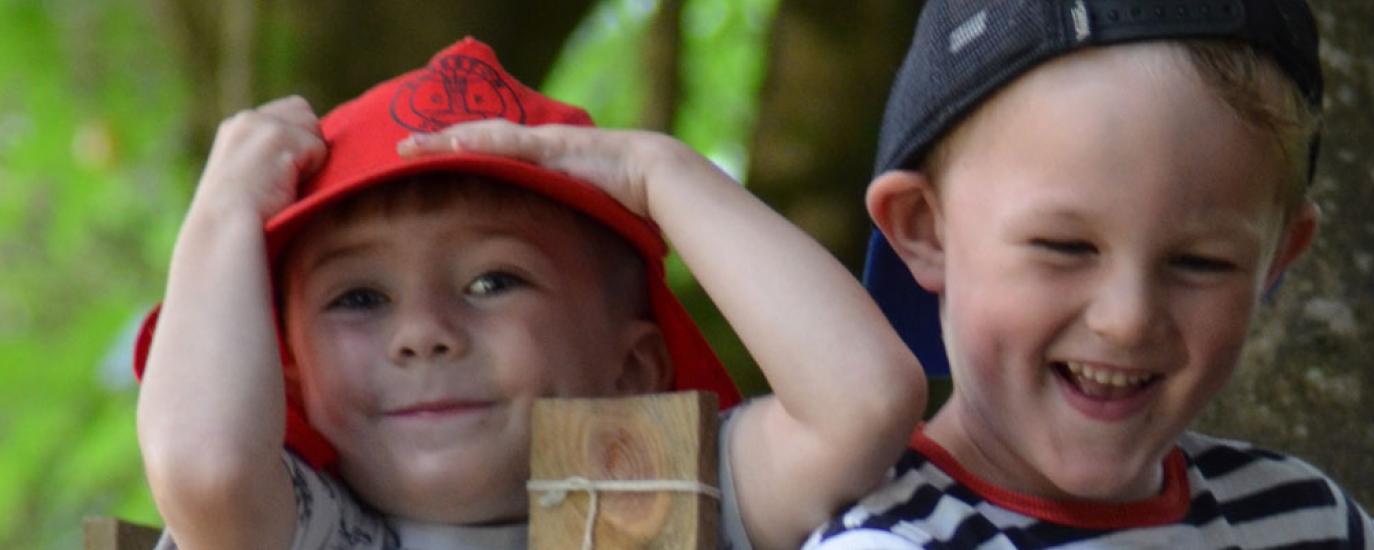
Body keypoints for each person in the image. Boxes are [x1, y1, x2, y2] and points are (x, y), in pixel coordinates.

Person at [135, 38, 924, 550]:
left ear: (633, 369)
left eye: (492, 281)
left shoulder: (653, 491)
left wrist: (660, 173)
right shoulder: (320, 529)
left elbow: (863, 403)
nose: (423, 332)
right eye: (360, 298)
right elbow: (206, 469)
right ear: (292, 378)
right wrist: (222, 215)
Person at [809, 1, 1374, 547]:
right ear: (926, 229)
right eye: (1064, 247)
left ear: (1278, 257)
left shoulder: (1315, 524)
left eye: (1200, 262)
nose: (1128, 320)